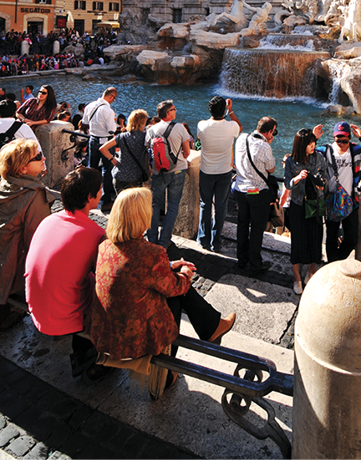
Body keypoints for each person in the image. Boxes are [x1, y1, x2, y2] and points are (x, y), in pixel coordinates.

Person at [91, 188, 235, 391]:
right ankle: (167, 372)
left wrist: (167, 266)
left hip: (104, 331)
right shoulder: (152, 253)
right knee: (177, 297)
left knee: (171, 284)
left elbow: (131, 272)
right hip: (133, 340)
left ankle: (212, 327)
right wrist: (184, 272)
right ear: (141, 216)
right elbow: (176, 287)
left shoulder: (105, 245)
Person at [25, 167, 107, 380]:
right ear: (90, 197)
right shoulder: (96, 234)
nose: (102, 193)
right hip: (62, 317)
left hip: (36, 308)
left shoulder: (49, 220)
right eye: (99, 190)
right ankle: (91, 356)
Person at [0, 139, 55, 329]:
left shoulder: (5, 184)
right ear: (23, 169)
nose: (44, 158)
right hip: (11, 267)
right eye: (38, 157)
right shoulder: (34, 195)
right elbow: (37, 241)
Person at [314, 121, 361, 263]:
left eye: (344, 140)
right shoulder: (325, 150)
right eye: (338, 139)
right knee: (331, 237)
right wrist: (314, 138)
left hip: (351, 201)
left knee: (352, 238)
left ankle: (337, 261)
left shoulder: (356, 150)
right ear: (334, 137)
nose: (341, 143)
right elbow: (307, 153)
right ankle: (333, 265)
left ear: (350, 138)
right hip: (331, 200)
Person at [283, 129, 327, 295]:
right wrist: (297, 178)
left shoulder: (319, 157)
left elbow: (325, 175)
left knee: (315, 240)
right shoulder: (291, 162)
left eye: (313, 142)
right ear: (302, 145)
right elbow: (287, 183)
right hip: (298, 205)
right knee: (298, 242)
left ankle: (310, 272)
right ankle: (297, 278)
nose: (313, 146)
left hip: (315, 204)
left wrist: (322, 183)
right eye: (309, 144)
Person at [196, 96, 242, 253]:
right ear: (224, 110)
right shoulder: (231, 126)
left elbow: (199, 138)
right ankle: (216, 241)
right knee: (221, 206)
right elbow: (239, 128)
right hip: (224, 172)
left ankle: (203, 239)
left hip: (206, 171)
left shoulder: (202, 125)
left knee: (205, 204)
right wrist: (231, 111)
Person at [234, 117, 277, 277]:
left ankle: (241, 260)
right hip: (257, 193)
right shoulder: (264, 146)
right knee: (257, 229)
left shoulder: (241, 138)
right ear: (269, 131)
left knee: (242, 225)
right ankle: (255, 264)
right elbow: (271, 169)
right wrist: (268, 144)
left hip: (240, 190)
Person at [146, 100, 190, 251]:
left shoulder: (151, 129)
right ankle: (164, 241)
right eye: (174, 109)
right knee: (172, 206)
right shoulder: (179, 127)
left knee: (154, 205)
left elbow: (148, 148)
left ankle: (151, 239)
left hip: (158, 172)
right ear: (168, 113)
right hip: (177, 171)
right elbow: (187, 152)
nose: (176, 111)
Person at [82, 87, 118, 213]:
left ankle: (87, 194)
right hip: (106, 142)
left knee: (91, 167)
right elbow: (111, 130)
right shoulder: (108, 110)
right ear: (111, 97)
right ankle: (106, 200)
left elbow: (85, 121)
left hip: (93, 140)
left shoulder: (90, 105)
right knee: (107, 170)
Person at [99, 109, 149, 194]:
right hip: (135, 176)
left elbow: (103, 148)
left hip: (119, 175)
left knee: (120, 203)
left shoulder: (122, 136)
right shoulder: (145, 137)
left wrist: (112, 159)